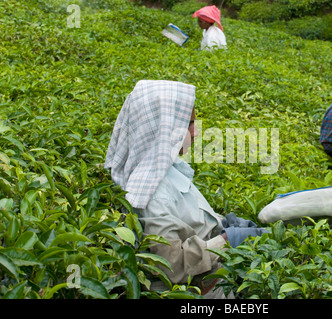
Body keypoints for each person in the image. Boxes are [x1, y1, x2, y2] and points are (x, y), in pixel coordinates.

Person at [104, 80, 266, 297]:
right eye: (189, 123)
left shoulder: (164, 168)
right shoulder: (150, 193)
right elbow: (170, 265)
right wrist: (227, 241)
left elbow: (189, 218)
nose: (196, 132)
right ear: (164, 126)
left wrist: (222, 223)